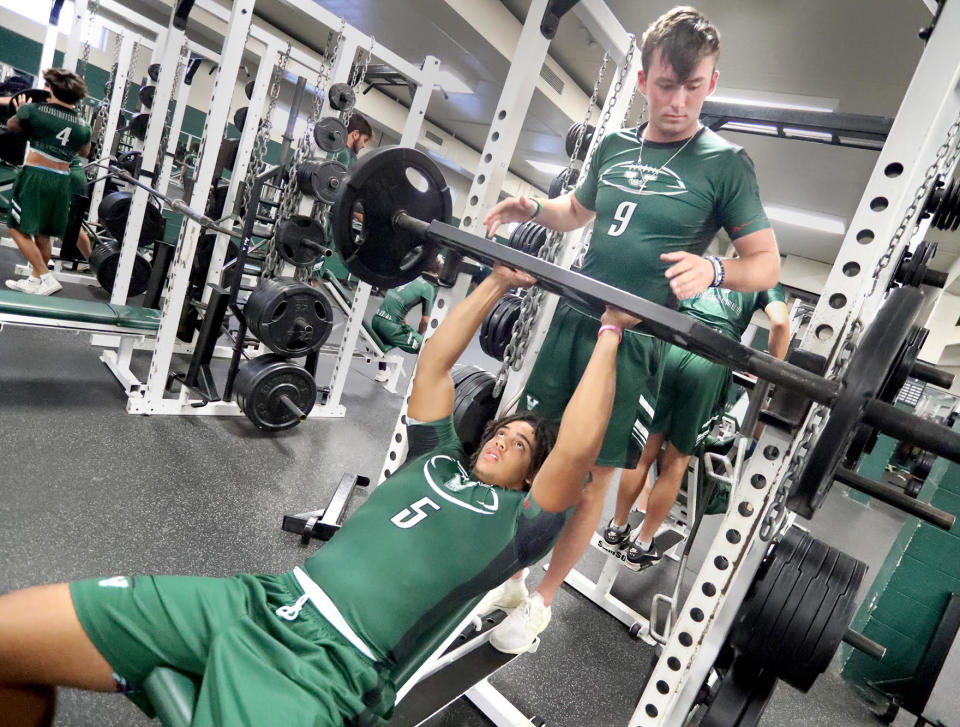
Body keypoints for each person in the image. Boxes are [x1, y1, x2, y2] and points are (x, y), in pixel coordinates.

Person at [0, 263, 638, 727]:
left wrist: (609, 333)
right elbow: (436, 364)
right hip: (260, 599)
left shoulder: (520, 526)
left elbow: (579, 450)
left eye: (522, 447)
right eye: (503, 433)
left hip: (329, 665)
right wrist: (497, 280)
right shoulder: (435, 458)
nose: (502, 442)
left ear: (534, 478)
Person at [480, 6, 780, 653]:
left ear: (712, 82)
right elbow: (575, 210)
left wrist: (715, 267)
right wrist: (532, 204)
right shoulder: (614, 147)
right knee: (533, 447)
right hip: (575, 317)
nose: (677, 101)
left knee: (594, 475)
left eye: (692, 86)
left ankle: (544, 598)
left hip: (636, 341)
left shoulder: (725, 165)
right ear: (644, 79)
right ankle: (512, 574)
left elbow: (766, 264)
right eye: (665, 85)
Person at [602, 283, 790, 570]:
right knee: (677, 461)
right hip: (712, 359)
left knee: (643, 452)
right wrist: (773, 370)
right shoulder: (763, 280)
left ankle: (616, 527)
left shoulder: (708, 263)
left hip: (673, 344)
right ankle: (642, 545)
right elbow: (779, 322)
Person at [4, 69, 91, 295]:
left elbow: (12, 126)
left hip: (36, 177)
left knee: (14, 228)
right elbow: (84, 151)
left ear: (51, 88)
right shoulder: (83, 124)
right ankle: (34, 281)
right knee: (42, 233)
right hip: (62, 181)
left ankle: (45, 275)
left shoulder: (33, 110)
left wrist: (19, 109)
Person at [371, 257, 440, 383]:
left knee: (394, 332)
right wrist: (419, 335)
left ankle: (382, 371)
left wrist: (402, 319)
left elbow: (396, 300)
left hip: (376, 321)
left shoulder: (405, 276)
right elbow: (425, 321)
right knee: (427, 348)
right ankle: (422, 385)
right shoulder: (428, 288)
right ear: (436, 273)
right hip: (390, 327)